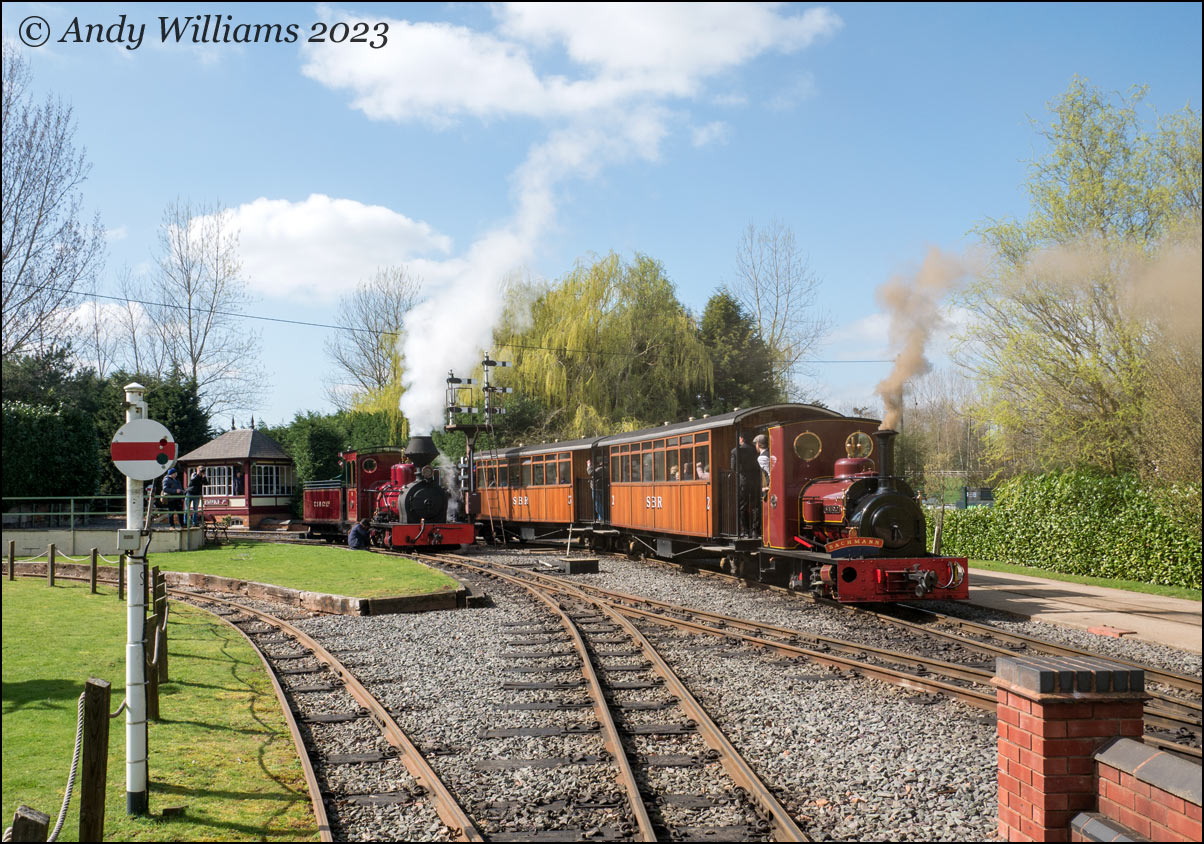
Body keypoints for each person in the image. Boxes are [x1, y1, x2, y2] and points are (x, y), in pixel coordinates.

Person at [730, 434, 760, 536]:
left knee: (743, 506)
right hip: (755, 480)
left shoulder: (735, 451)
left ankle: (746, 531)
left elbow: (734, 468)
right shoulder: (755, 449)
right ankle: (755, 530)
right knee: (755, 505)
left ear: (741, 438)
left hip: (743, 481)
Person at [588, 457, 606, 522]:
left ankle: (601, 518)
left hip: (597, 488)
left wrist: (589, 466)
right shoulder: (604, 468)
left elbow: (590, 473)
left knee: (598, 503)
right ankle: (600, 517)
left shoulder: (601, 469)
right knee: (599, 503)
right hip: (600, 488)